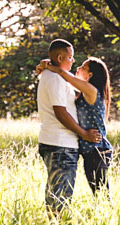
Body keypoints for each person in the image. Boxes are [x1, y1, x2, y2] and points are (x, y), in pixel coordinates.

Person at [36, 39, 101, 213]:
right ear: (59, 57)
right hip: (60, 144)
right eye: (70, 57)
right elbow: (60, 112)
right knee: (60, 197)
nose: (73, 61)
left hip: (59, 142)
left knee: (56, 193)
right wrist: (84, 134)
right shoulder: (55, 78)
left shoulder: (55, 76)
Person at [37, 55, 113, 195]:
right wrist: (46, 66)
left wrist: (49, 66)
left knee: (101, 193)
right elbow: (66, 79)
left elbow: (64, 75)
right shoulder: (85, 90)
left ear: (90, 75)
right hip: (90, 150)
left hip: (97, 149)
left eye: (83, 67)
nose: (78, 67)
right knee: (98, 191)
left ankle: (109, 215)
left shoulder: (91, 91)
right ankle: (103, 215)